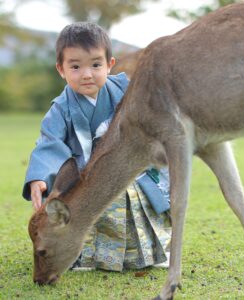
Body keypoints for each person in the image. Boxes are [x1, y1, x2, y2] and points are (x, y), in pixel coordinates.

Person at [22, 22, 171, 271]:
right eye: (76, 66)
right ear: (61, 69)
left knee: (137, 199)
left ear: (110, 64)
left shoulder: (126, 91)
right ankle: (88, 256)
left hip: (127, 172)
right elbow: (50, 141)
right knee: (81, 209)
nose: (87, 74)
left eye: (95, 65)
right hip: (84, 178)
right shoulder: (61, 108)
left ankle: (150, 253)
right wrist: (39, 175)